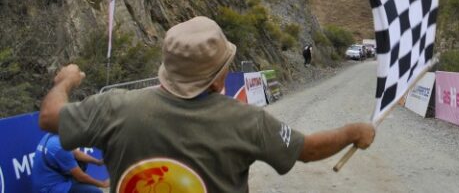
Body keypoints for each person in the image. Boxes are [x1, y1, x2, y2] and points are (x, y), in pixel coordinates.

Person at [38, 16, 375, 192]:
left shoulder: (113, 107)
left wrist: (64, 81)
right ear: (218, 77)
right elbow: (308, 150)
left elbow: (50, 116)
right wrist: (353, 131)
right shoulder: (247, 121)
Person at [31, 132, 109, 192]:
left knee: (82, 164)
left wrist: (97, 162)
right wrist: (102, 184)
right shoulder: (59, 146)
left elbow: (75, 153)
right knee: (95, 191)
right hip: (49, 188)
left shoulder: (50, 135)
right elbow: (81, 177)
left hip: (46, 181)